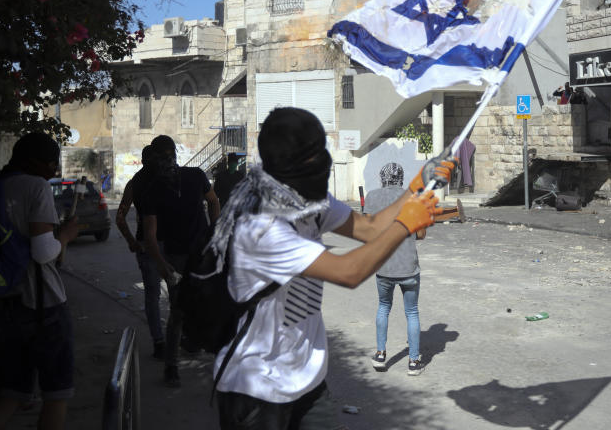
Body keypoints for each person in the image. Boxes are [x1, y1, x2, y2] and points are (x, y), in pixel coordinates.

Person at [212, 107, 455, 429]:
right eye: (313, 153)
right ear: (291, 162)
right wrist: (405, 223)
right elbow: (347, 272)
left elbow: (369, 228)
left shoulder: (308, 202)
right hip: (257, 389)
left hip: (307, 381)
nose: (322, 160)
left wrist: (417, 184)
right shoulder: (260, 226)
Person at [0, 133, 79, 430]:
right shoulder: (35, 186)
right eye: (51, 163)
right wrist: (67, 236)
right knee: (56, 394)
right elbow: (44, 251)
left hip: (0, 303)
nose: (53, 170)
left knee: (10, 394)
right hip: (42, 305)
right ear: (34, 162)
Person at [141, 135, 220, 387]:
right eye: (161, 156)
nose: (166, 160)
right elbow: (149, 235)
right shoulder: (152, 189)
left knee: (211, 305)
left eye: (168, 154)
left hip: (201, 254)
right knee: (178, 311)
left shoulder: (195, 176)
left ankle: (219, 358)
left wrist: (214, 232)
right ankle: (172, 366)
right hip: (174, 257)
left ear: (175, 154)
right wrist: (161, 264)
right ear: (153, 159)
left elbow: (214, 201)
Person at [367, 183, 427, 376]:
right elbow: (421, 234)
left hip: (384, 266)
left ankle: (380, 355)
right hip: (408, 267)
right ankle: (413, 362)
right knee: (412, 312)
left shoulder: (372, 196)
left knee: (384, 306)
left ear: (382, 179)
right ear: (401, 180)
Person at [114, 145, 166, 359]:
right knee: (172, 293)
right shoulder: (164, 180)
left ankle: (160, 341)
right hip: (166, 244)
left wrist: (131, 242)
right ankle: (170, 339)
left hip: (146, 245)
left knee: (152, 296)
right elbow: (120, 216)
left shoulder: (135, 183)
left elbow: (120, 217)